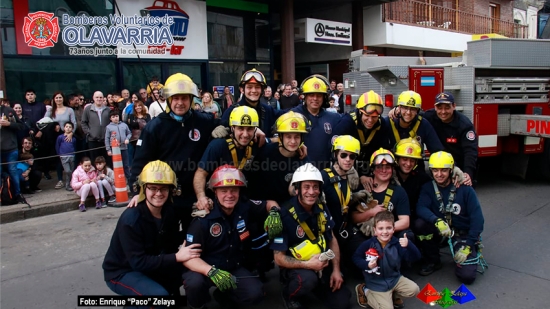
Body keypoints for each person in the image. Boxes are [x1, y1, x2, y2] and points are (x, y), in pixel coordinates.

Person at [128, 73, 219, 233]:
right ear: (169, 99)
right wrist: (137, 191)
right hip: (166, 198)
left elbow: (230, 122)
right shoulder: (154, 127)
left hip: (196, 197)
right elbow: (140, 162)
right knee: (167, 244)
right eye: (175, 98)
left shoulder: (205, 121)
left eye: (184, 98)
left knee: (197, 242)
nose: (180, 103)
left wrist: (227, 127)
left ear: (191, 100)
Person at [183, 165, 281, 309]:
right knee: (194, 284)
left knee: (256, 293)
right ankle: (197, 305)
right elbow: (188, 257)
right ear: (215, 192)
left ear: (239, 191)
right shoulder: (203, 219)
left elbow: (270, 203)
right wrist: (211, 271)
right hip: (205, 269)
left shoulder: (244, 206)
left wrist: (274, 213)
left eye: (234, 190)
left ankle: (223, 296)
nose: (229, 195)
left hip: (232, 267)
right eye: (224, 190)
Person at [103, 160, 200, 300]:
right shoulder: (131, 220)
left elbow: (172, 239)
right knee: (159, 297)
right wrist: (177, 257)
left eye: (164, 188)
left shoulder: (169, 211)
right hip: (122, 271)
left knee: (190, 274)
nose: (158, 193)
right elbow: (139, 262)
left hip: (150, 263)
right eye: (153, 188)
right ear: (144, 189)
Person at [271, 163, 351, 309]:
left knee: (343, 302)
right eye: (306, 187)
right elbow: (278, 258)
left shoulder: (322, 208)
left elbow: (331, 239)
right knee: (307, 280)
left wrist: (336, 270)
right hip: (297, 268)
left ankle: (317, 285)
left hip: (321, 263)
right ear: (297, 190)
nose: (312, 192)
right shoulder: (283, 215)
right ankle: (289, 295)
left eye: (315, 187)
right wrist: (308, 265)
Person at [415, 151, 484, 284]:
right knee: (419, 225)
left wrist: (469, 245)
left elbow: (478, 220)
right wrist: (437, 221)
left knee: (467, 276)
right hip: (441, 230)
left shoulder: (465, 189)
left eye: (443, 170)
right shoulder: (428, 188)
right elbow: (421, 208)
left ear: (451, 170)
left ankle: (466, 251)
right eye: (435, 170)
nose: (439, 174)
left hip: (461, 234)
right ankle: (433, 260)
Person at [194, 106, 260, 211]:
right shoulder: (217, 145)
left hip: (242, 203)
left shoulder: (256, 144)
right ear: (232, 128)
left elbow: (276, 141)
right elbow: (201, 173)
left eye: (250, 129)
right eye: (240, 128)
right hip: (217, 204)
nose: (245, 134)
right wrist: (201, 197)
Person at [352, 211, 420, 309]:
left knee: (415, 290)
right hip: (376, 284)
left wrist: (409, 245)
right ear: (375, 230)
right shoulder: (368, 244)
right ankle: (365, 291)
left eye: (388, 228)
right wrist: (367, 265)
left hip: (394, 279)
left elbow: (415, 257)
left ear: (393, 229)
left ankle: (393, 295)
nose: (385, 232)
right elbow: (356, 257)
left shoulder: (397, 244)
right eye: (381, 228)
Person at [334, 91, 392, 191]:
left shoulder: (382, 124)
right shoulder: (347, 122)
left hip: (368, 167)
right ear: (360, 112)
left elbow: (383, 150)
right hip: (348, 165)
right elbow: (334, 148)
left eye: (374, 117)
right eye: (367, 116)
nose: (370, 120)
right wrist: (350, 170)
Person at [247, 111, 310, 204]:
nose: (293, 141)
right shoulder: (263, 153)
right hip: (261, 209)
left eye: (297, 137)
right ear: (280, 136)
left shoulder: (303, 160)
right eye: (288, 136)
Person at [320, 135, 361, 267]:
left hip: (345, 230)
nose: (348, 160)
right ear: (335, 155)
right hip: (328, 232)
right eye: (343, 155)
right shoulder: (324, 176)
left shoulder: (352, 178)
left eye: (352, 156)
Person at [423, 92, 477, 186]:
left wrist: (468, 173)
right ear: (435, 108)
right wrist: (396, 110)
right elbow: (413, 114)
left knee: (462, 197)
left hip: (459, 167)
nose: (443, 112)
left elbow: (470, 151)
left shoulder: (464, 125)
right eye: (439, 108)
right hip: (440, 168)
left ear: (454, 106)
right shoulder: (429, 116)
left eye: (447, 107)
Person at [292, 75, 342, 169]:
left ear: (324, 98)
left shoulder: (333, 118)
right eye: (311, 95)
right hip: (300, 172)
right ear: (305, 97)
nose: (315, 98)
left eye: (319, 95)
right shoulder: (293, 115)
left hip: (325, 172)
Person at [220, 69, 283, 140]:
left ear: (262, 90)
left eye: (257, 87)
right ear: (242, 90)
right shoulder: (231, 111)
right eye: (249, 87)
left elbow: (286, 114)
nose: (253, 90)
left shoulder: (267, 110)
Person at [388, 90, 443, 171]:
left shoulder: (423, 124)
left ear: (418, 110)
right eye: (405, 108)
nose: (408, 112)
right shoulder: (388, 123)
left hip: (416, 172)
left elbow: (438, 151)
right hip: (391, 172)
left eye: (413, 109)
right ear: (399, 107)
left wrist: (452, 167)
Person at [393, 138, 431, 220]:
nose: (408, 164)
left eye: (412, 160)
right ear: (397, 159)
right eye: (405, 159)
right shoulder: (389, 176)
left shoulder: (423, 180)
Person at [1, 103, 25, 203]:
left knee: (13, 171)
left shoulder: (8, 110)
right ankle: (2, 196)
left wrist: (9, 124)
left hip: (11, 147)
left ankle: (17, 194)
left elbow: (20, 126)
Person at [81, 91, 111, 163]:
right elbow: (83, 122)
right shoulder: (88, 109)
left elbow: (111, 123)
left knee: (106, 160)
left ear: (103, 98)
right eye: (97, 97)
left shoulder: (108, 110)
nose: (99, 99)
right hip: (92, 140)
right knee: (94, 160)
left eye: (101, 97)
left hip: (105, 140)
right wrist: (89, 132)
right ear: (93, 98)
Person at [105, 110, 131, 182]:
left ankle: (129, 179)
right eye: (113, 117)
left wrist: (127, 139)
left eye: (116, 116)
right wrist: (108, 150)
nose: (115, 118)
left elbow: (129, 133)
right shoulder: (108, 127)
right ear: (110, 118)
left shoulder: (124, 125)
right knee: (116, 165)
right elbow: (107, 139)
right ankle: (117, 179)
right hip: (114, 150)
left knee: (126, 164)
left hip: (124, 148)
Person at [126, 101, 151, 167]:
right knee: (133, 154)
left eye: (139, 106)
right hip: (134, 139)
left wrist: (137, 123)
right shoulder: (132, 116)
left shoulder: (147, 115)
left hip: (145, 138)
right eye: (136, 106)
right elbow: (132, 124)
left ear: (142, 106)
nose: (138, 107)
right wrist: (142, 123)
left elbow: (148, 125)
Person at [55, 122, 77, 191]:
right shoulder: (60, 137)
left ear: (72, 129)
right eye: (66, 126)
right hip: (63, 156)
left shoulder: (73, 138)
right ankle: (72, 181)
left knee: (71, 170)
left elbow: (74, 146)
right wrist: (59, 154)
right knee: (68, 171)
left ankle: (68, 185)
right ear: (64, 128)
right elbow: (57, 146)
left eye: (70, 127)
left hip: (72, 156)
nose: (68, 128)